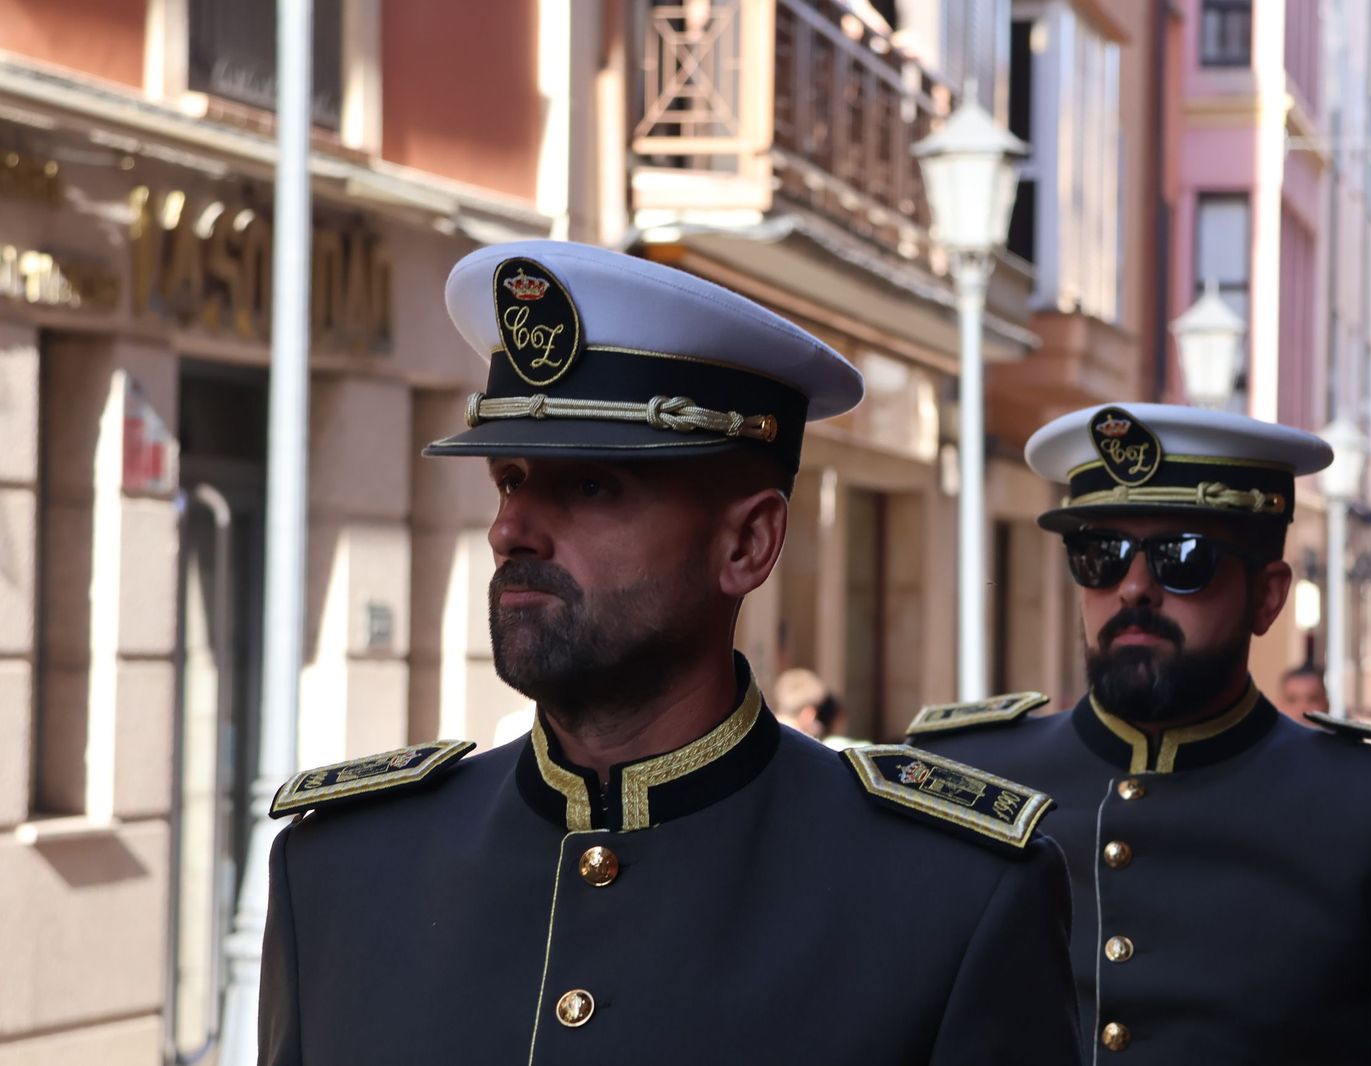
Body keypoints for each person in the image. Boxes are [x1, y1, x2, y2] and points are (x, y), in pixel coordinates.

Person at [256, 241, 1081, 1064]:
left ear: (748, 545)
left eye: (592, 486)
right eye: (510, 480)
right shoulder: (340, 872)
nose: (511, 529)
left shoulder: (951, 899)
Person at [907, 403, 1371, 1064]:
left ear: (1268, 596)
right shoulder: (962, 782)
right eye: (1101, 555)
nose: (1133, 588)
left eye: (1182, 558)